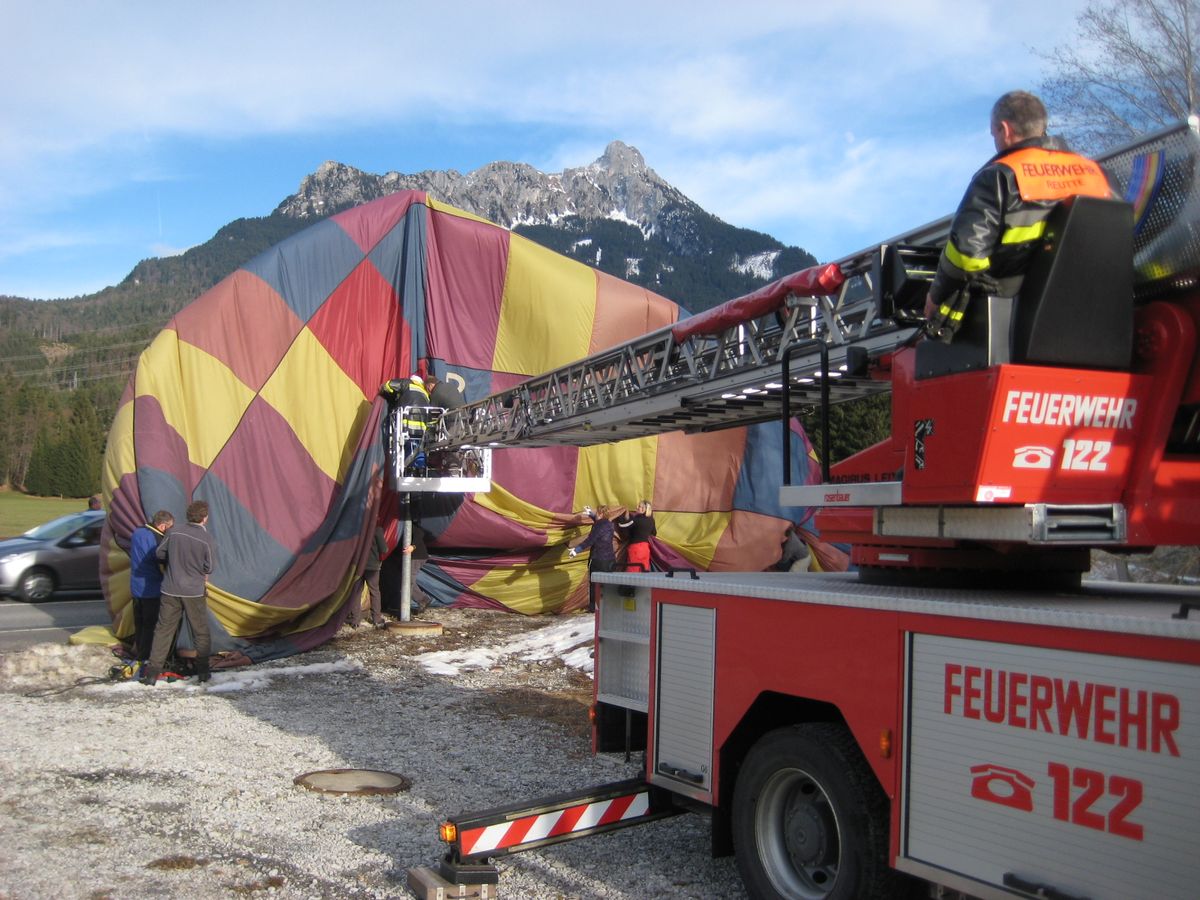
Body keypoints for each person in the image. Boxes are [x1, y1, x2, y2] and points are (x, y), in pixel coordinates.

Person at [923, 90, 1112, 340]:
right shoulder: (1098, 174)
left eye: (994, 135)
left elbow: (966, 256)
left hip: (1014, 325)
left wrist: (935, 298)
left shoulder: (999, 176)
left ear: (1004, 129)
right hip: (1097, 318)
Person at [141, 500, 216, 685]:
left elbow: (159, 553)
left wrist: (173, 561)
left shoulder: (173, 532)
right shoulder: (207, 540)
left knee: (163, 630)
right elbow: (210, 566)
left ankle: (152, 673)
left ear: (187, 515)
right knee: (200, 632)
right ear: (204, 519)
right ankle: (203, 672)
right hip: (194, 592)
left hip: (170, 589)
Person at [128, 510, 174, 664]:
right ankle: (144, 657)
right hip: (151, 588)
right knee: (150, 625)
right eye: (169, 527)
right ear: (162, 526)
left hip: (136, 587)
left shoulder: (137, 532)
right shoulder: (158, 540)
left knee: (139, 622)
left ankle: (138, 650)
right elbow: (161, 562)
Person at [569, 505, 617, 611]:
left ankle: (593, 608)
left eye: (597, 512)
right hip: (610, 560)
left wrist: (576, 550)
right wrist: (591, 514)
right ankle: (608, 607)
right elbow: (599, 522)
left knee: (595, 585)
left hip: (598, 559)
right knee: (608, 584)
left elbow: (590, 540)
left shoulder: (598, 526)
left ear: (601, 514)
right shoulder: (610, 524)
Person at [349, 526, 388, 629]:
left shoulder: (356, 528)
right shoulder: (377, 530)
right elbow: (384, 549)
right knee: (374, 592)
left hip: (357, 566)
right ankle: (377, 619)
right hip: (372, 566)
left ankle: (355, 620)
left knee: (356, 592)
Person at [618, 500, 656, 573]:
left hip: (636, 548)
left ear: (644, 509)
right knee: (644, 571)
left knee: (633, 570)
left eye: (639, 506)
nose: (637, 507)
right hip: (645, 548)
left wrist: (621, 517)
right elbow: (654, 533)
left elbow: (622, 525)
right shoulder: (651, 520)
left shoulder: (636, 520)